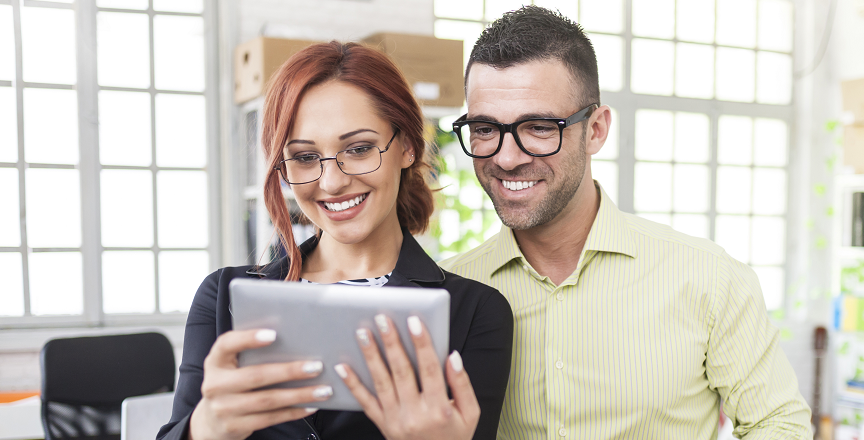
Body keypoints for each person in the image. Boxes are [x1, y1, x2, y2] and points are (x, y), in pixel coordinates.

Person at [439, 6, 811, 439]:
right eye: (485, 129)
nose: (506, 157)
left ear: (595, 129)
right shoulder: (452, 291)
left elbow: (779, 423)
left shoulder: (708, 278)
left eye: (539, 127)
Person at [157, 41, 514, 440]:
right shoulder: (221, 298)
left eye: (359, 149)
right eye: (305, 157)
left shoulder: (474, 313)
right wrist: (205, 428)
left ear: (408, 147)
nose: (331, 182)